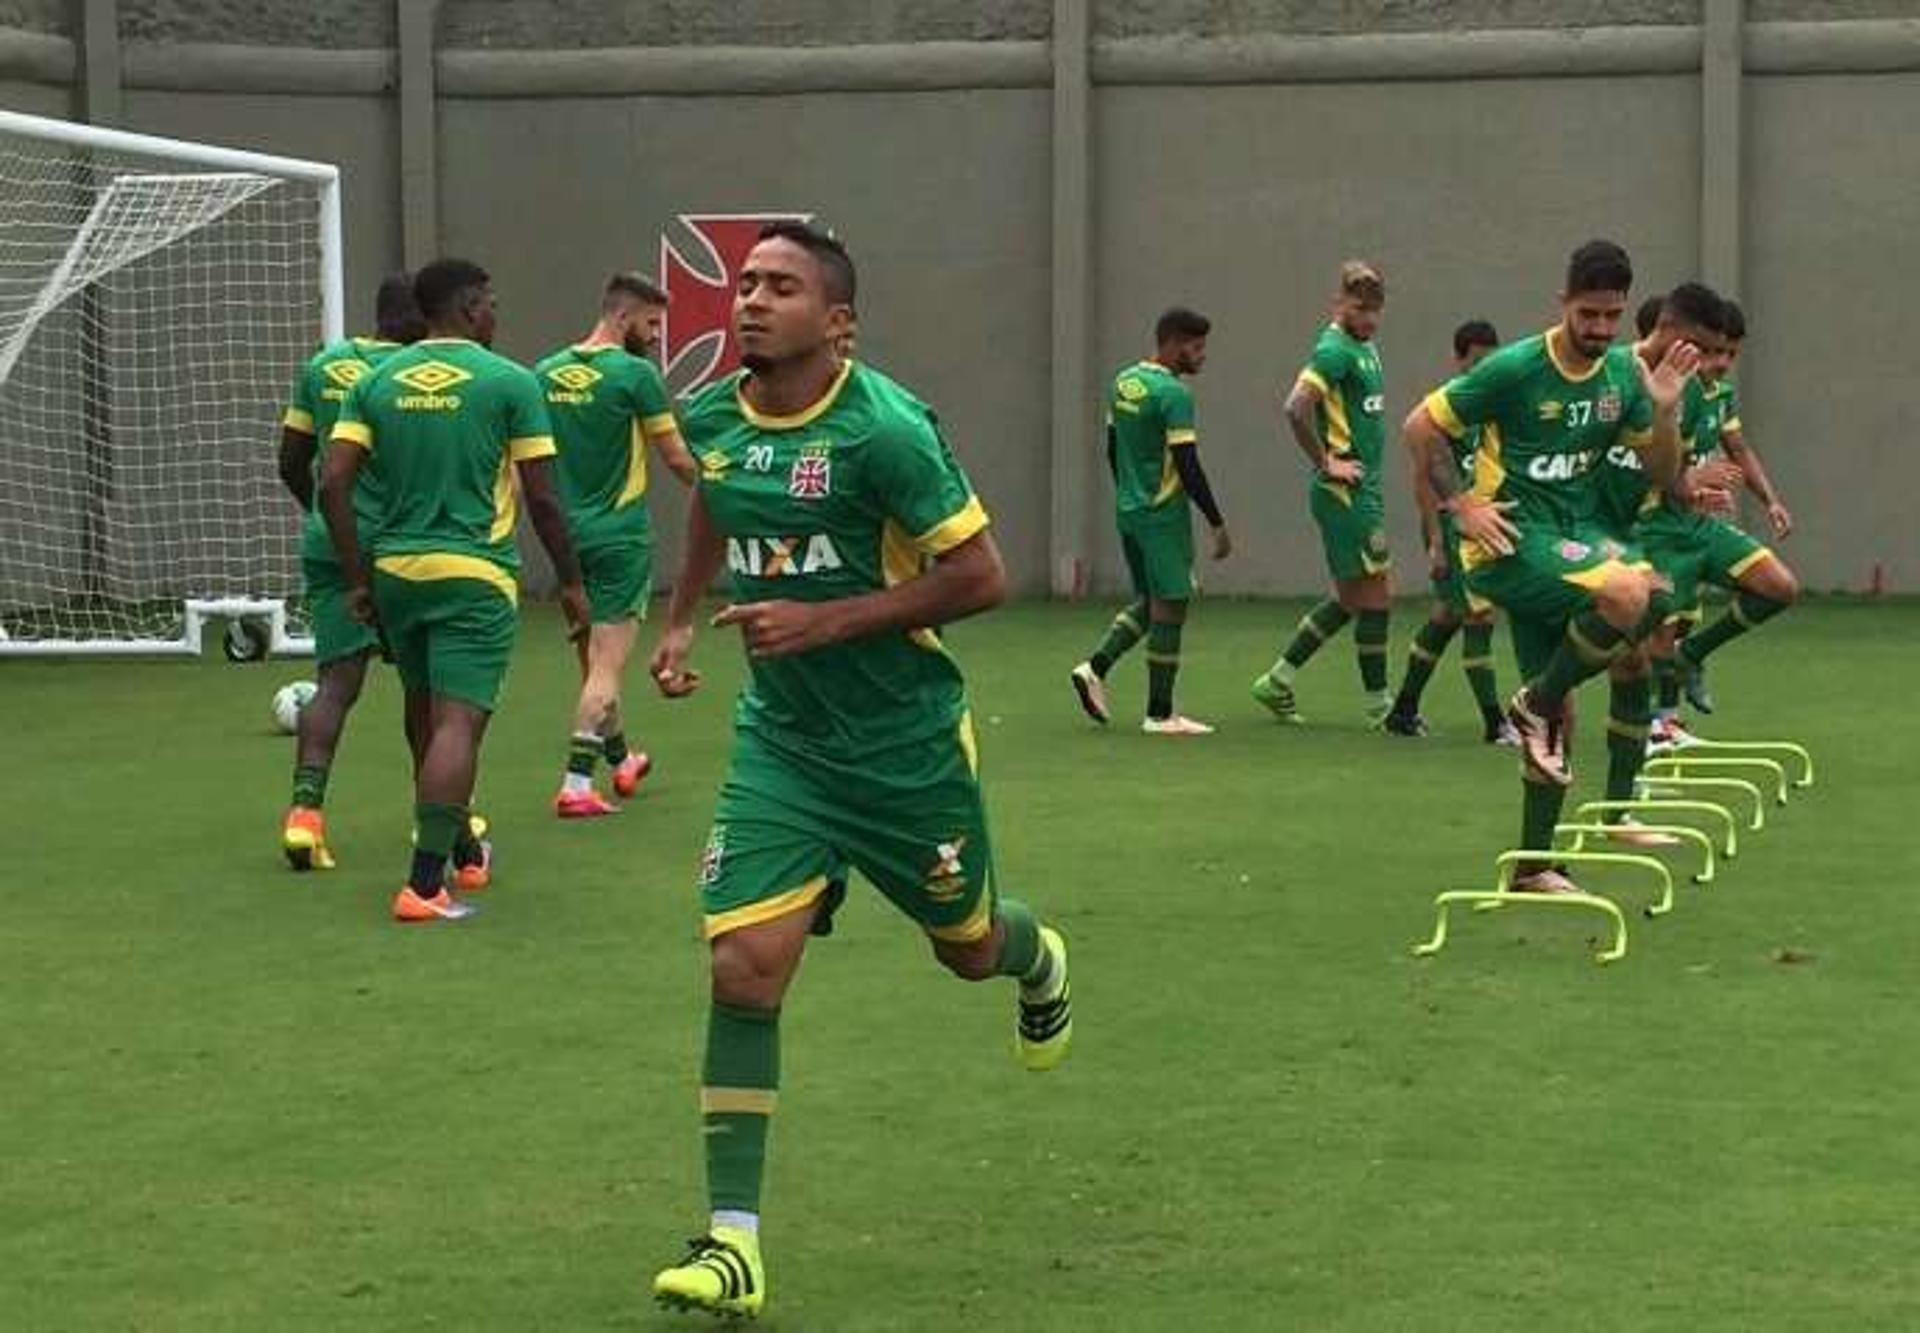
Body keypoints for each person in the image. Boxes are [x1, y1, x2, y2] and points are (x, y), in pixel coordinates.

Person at [646, 222, 1071, 1319]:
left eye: (779, 287)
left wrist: (829, 622)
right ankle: (732, 1240)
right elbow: (715, 499)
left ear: (838, 321)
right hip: (781, 744)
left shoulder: (887, 430)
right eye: (744, 283)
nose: (749, 300)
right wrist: (683, 619)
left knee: (967, 950)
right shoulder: (711, 416)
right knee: (744, 964)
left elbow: (982, 576)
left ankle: (1041, 959)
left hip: (905, 750)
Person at [1403, 239, 1698, 894]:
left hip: (1569, 540)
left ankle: (1533, 865)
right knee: (1629, 593)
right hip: (1509, 540)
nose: (1598, 329)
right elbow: (1420, 426)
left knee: (1629, 627)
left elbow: (1663, 473)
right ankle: (1531, 706)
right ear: (1562, 300)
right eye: (1587, 313)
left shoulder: (1624, 376)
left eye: (1610, 316)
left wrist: (1667, 408)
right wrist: (1460, 503)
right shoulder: (1514, 368)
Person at [320, 258, 588, 922]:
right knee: (458, 722)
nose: (497, 314)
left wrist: (357, 578)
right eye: (491, 303)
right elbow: (545, 500)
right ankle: (423, 883)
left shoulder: (375, 381)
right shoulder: (511, 383)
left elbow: (331, 484)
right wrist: (574, 583)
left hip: (396, 574)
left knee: (423, 712)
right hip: (473, 573)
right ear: (469, 308)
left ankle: (464, 845)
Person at [277, 275, 424, 870]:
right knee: (430, 688)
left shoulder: (326, 364)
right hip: (402, 543)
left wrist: (326, 521)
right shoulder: (424, 375)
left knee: (335, 684)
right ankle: (444, 819)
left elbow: (291, 460)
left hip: (330, 542)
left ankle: (304, 818)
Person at [537, 273, 696, 816]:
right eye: (652, 323)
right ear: (623, 316)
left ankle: (623, 759)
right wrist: (727, 499)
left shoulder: (545, 373)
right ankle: (577, 786)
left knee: (593, 663)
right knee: (606, 668)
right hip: (620, 538)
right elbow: (675, 457)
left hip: (565, 540)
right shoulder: (635, 376)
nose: (655, 335)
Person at [1070, 306, 1231, 734]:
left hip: (1129, 511)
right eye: (1196, 348)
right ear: (1174, 344)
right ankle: (1160, 714)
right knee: (1172, 605)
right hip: (1163, 515)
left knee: (1148, 601)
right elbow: (1188, 464)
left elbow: (1111, 446)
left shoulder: (1123, 383)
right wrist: (1216, 521)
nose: (1202, 357)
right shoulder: (1174, 395)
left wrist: (1129, 494)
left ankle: (1093, 669)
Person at [1255, 260, 1393, 725]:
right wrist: (1325, 462)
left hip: (1360, 490)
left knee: (1351, 598)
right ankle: (1380, 708)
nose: (1370, 318)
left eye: (1376, 309)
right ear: (1338, 304)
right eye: (1360, 308)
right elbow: (1296, 408)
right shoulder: (1334, 351)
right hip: (1347, 494)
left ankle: (1277, 681)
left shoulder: (1364, 346)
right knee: (1376, 596)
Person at [1384, 318, 1519, 743]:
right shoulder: (1445, 408)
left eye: (1490, 362)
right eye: (1476, 362)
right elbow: (1423, 476)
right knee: (1479, 617)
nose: (1483, 371)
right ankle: (1495, 723)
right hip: (1454, 528)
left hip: (1479, 522)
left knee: (1445, 618)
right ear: (1458, 360)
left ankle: (1403, 709)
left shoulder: (1489, 404)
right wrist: (1437, 542)